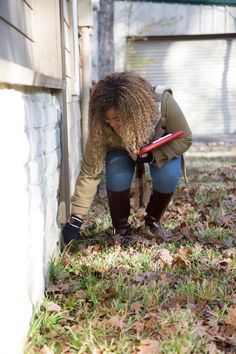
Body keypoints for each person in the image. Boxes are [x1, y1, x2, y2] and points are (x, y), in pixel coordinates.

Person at [62, 71, 192, 245]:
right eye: (108, 120)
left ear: (133, 112)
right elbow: (90, 171)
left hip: (160, 148)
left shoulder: (162, 102)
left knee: (168, 174)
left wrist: (152, 156)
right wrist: (76, 218)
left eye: (117, 119)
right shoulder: (100, 124)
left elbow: (185, 137)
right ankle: (121, 228)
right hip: (120, 149)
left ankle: (152, 222)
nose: (113, 124)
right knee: (117, 172)